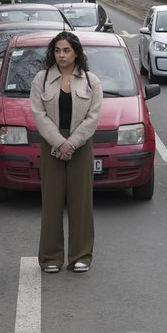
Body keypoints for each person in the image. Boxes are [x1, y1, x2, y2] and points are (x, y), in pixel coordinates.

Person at [30, 31, 103, 274]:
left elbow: (93, 117)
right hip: (51, 143)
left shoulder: (91, 81)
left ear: (76, 53)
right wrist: (59, 143)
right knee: (51, 201)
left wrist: (72, 143)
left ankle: (81, 256)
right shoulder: (41, 79)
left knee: (81, 202)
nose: (61, 55)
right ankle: (50, 257)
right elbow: (38, 114)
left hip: (80, 145)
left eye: (66, 50)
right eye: (57, 50)